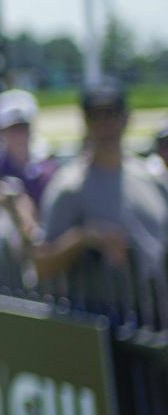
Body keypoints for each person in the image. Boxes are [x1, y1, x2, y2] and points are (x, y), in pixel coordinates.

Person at [33, 81, 168, 298]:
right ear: (85, 122)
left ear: (126, 118)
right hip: (102, 315)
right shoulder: (69, 187)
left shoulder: (152, 179)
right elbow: (41, 266)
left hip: (155, 313)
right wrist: (84, 238)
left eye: (112, 113)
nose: (106, 124)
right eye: (97, 115)